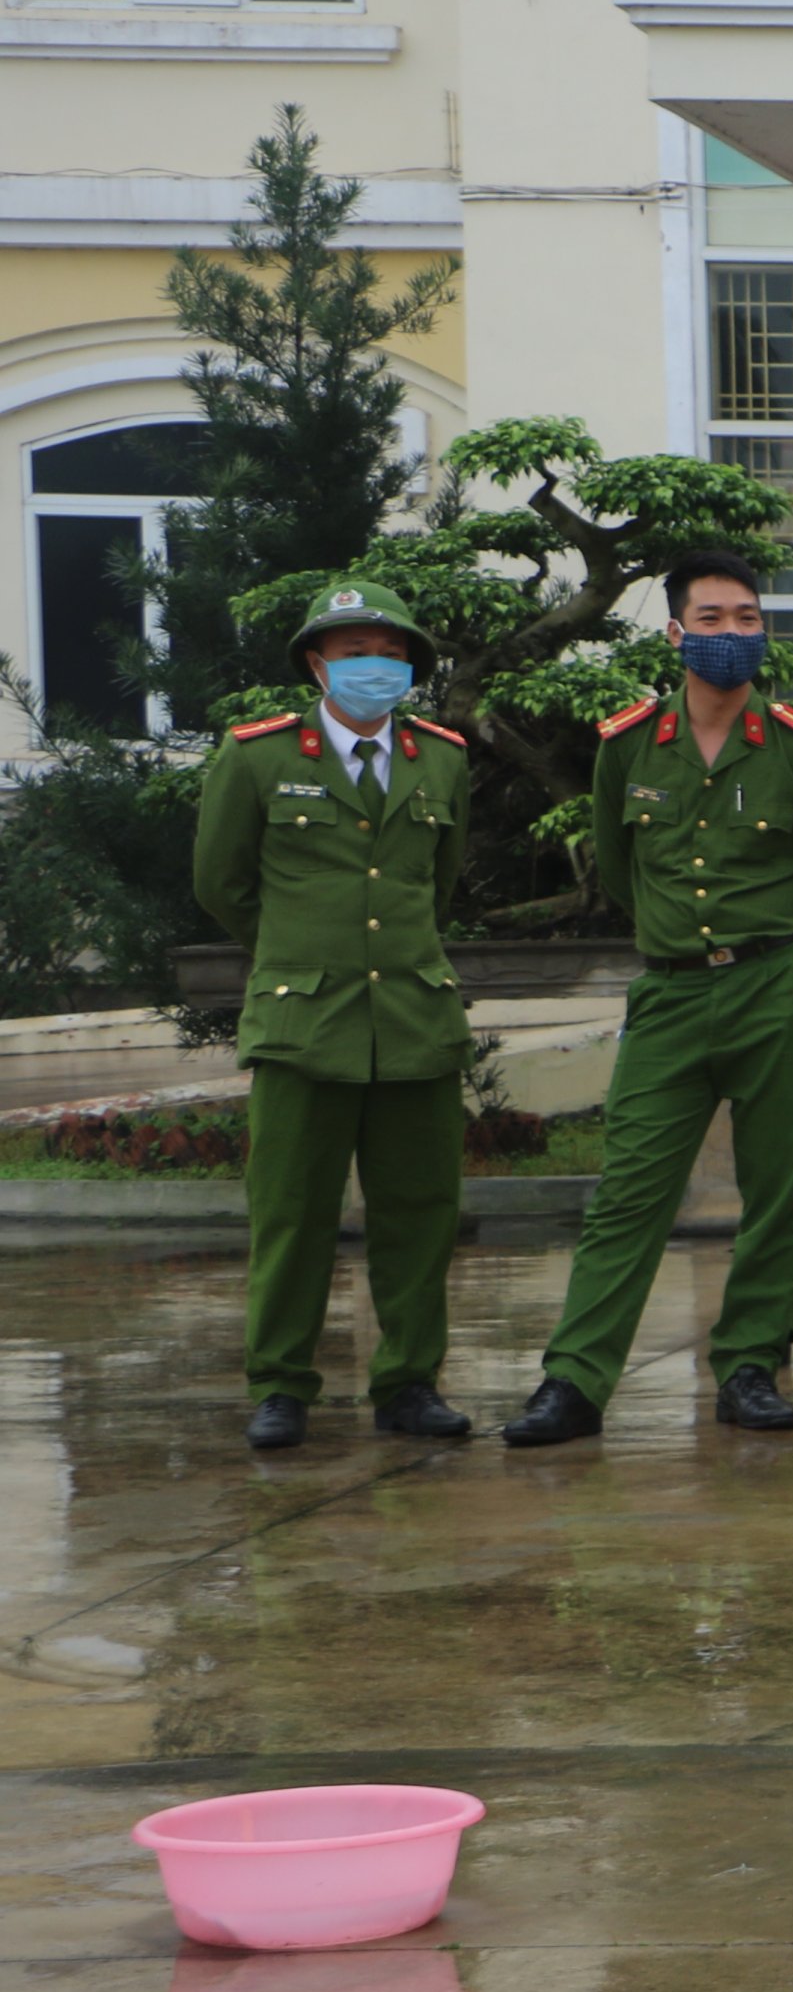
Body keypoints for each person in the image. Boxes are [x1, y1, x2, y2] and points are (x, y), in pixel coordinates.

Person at [502, 554, 793, 1448]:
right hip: (670, 994)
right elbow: (620, 873)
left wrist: (767, 945)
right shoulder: (628, 745)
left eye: (747, 619)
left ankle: (748, 1366)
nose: (731, 635)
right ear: (674, 632)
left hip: (780, 986)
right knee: (630, 1191)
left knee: (780, 1189)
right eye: (710, 620)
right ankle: (576, 1381)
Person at [193, 581, 476, 1451]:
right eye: (353, 653)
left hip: (414, 1021)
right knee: (291, 1214)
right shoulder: (256, 756)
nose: (373, 668)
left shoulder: (443, 759)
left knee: (420, 1214)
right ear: (317, 664)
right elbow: (221, 883)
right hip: (302, 1027)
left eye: (390, 655)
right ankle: (281, 1385)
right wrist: (296, 955)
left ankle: (409, 1383)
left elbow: (440, 880)